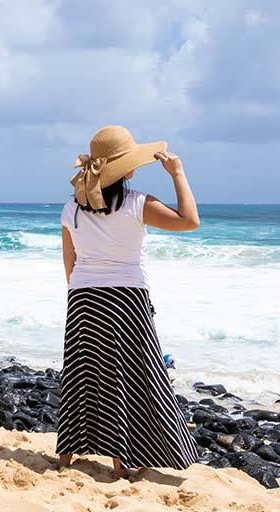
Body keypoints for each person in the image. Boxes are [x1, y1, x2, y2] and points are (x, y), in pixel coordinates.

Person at [56, 125, 200, 479]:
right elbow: (190, 221)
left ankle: (65, 458)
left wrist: (84, 295)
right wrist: (178, 174)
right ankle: (122, 463)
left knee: (83, 377)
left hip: (83, 300)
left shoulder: (71, 207)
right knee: (133, 378)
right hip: (127, 300)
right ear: (124, 168)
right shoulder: (138, 203)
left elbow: (69, 263)